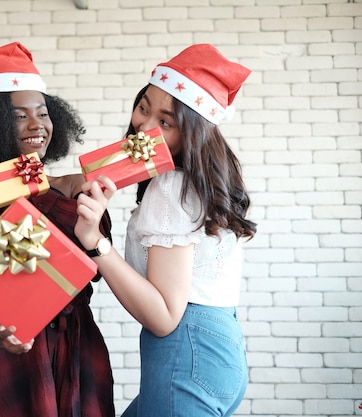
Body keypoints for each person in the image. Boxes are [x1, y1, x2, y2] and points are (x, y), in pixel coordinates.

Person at [0, 42, 115, 417]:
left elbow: (96, 261)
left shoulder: (74, 185)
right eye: (19, 116)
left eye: (43, 113)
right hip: (14, 344)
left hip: (79, 338)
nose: (37, 126)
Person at [74, 44, 257, 417]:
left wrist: (95, 242)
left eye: (166, 122)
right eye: (144, 107)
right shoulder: (199, 182)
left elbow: (163, 316)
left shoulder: (171, 186)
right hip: (217, 352)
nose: (144, 126)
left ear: (193, 132)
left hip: (186, 354)